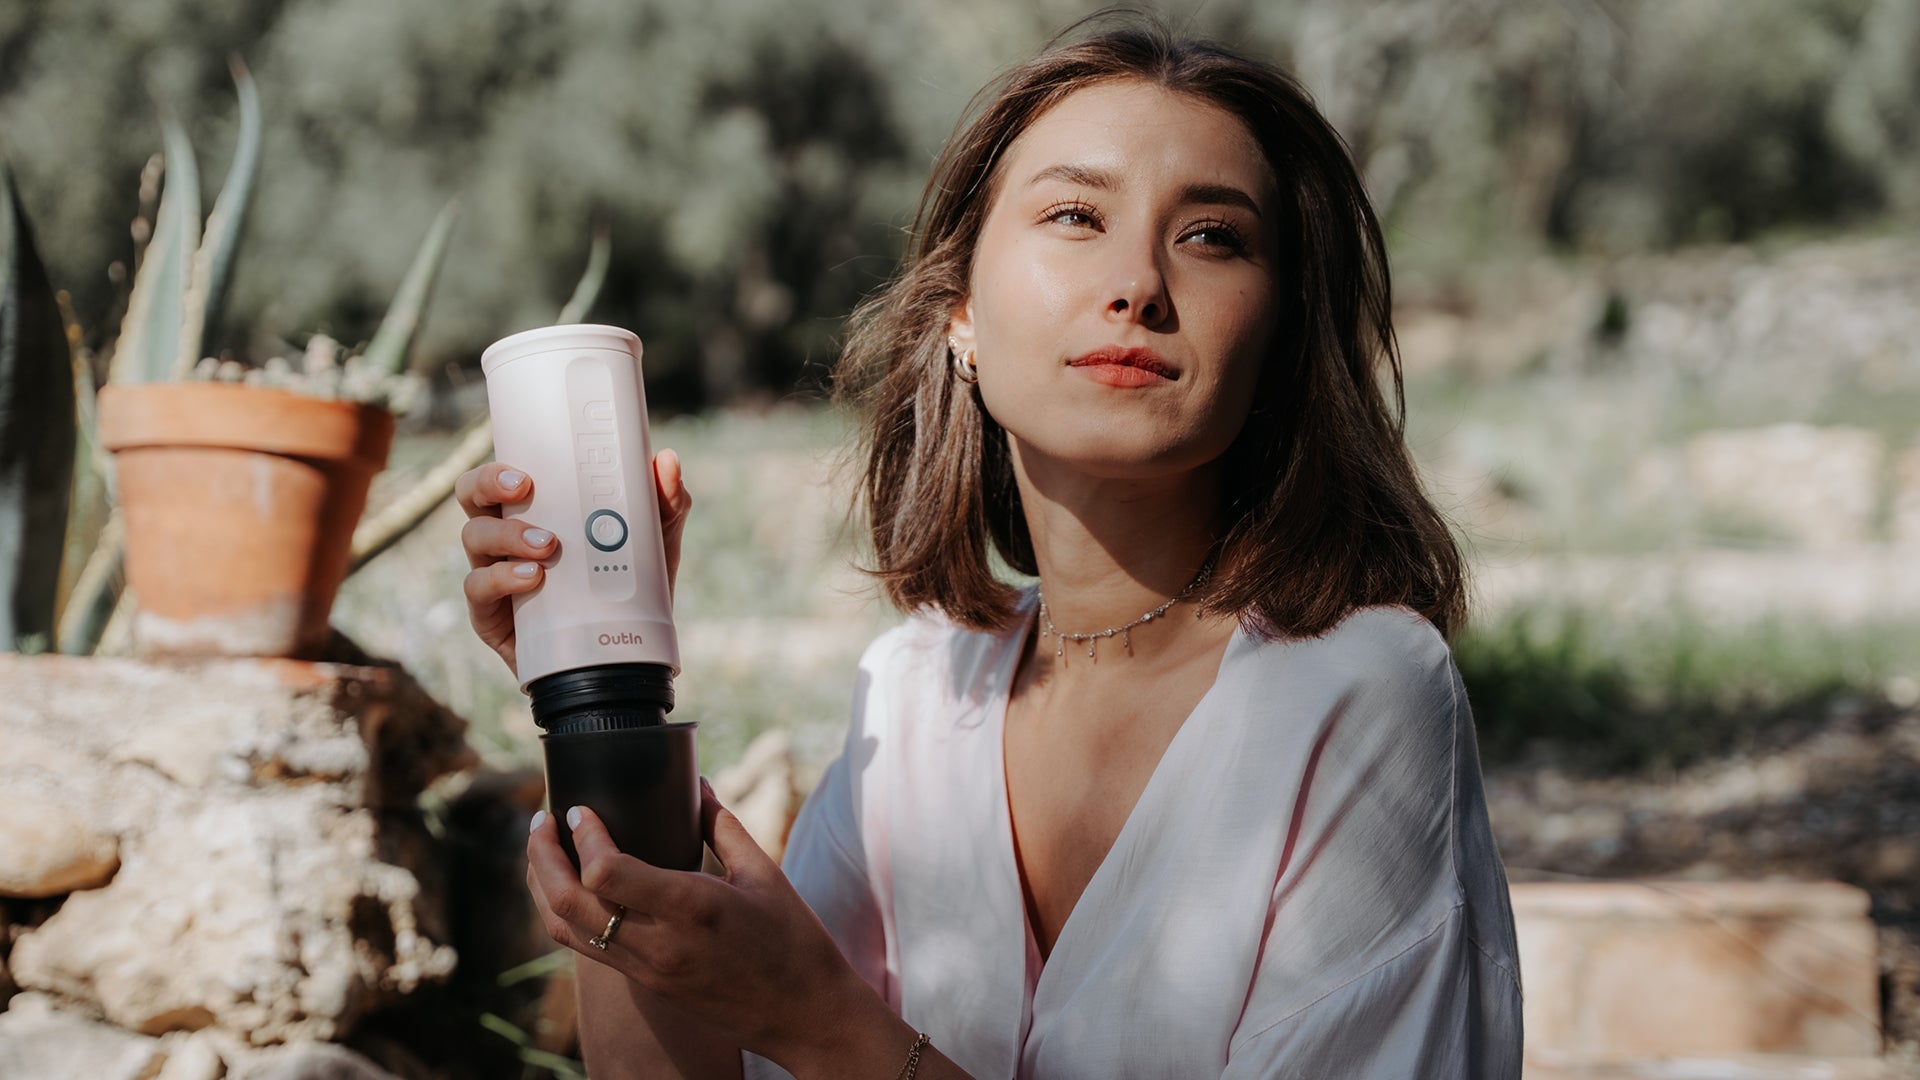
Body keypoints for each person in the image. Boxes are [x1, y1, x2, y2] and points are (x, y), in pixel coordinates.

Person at [456, 21, 1521, 1080]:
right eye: (1075, 215)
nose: (1138, 283)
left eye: (1211, 237)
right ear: (959, 312)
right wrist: (599, 687)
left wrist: (821, 1023)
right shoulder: (918, 691)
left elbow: (802, 1026)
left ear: (1282, 337)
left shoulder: (1358, 693)